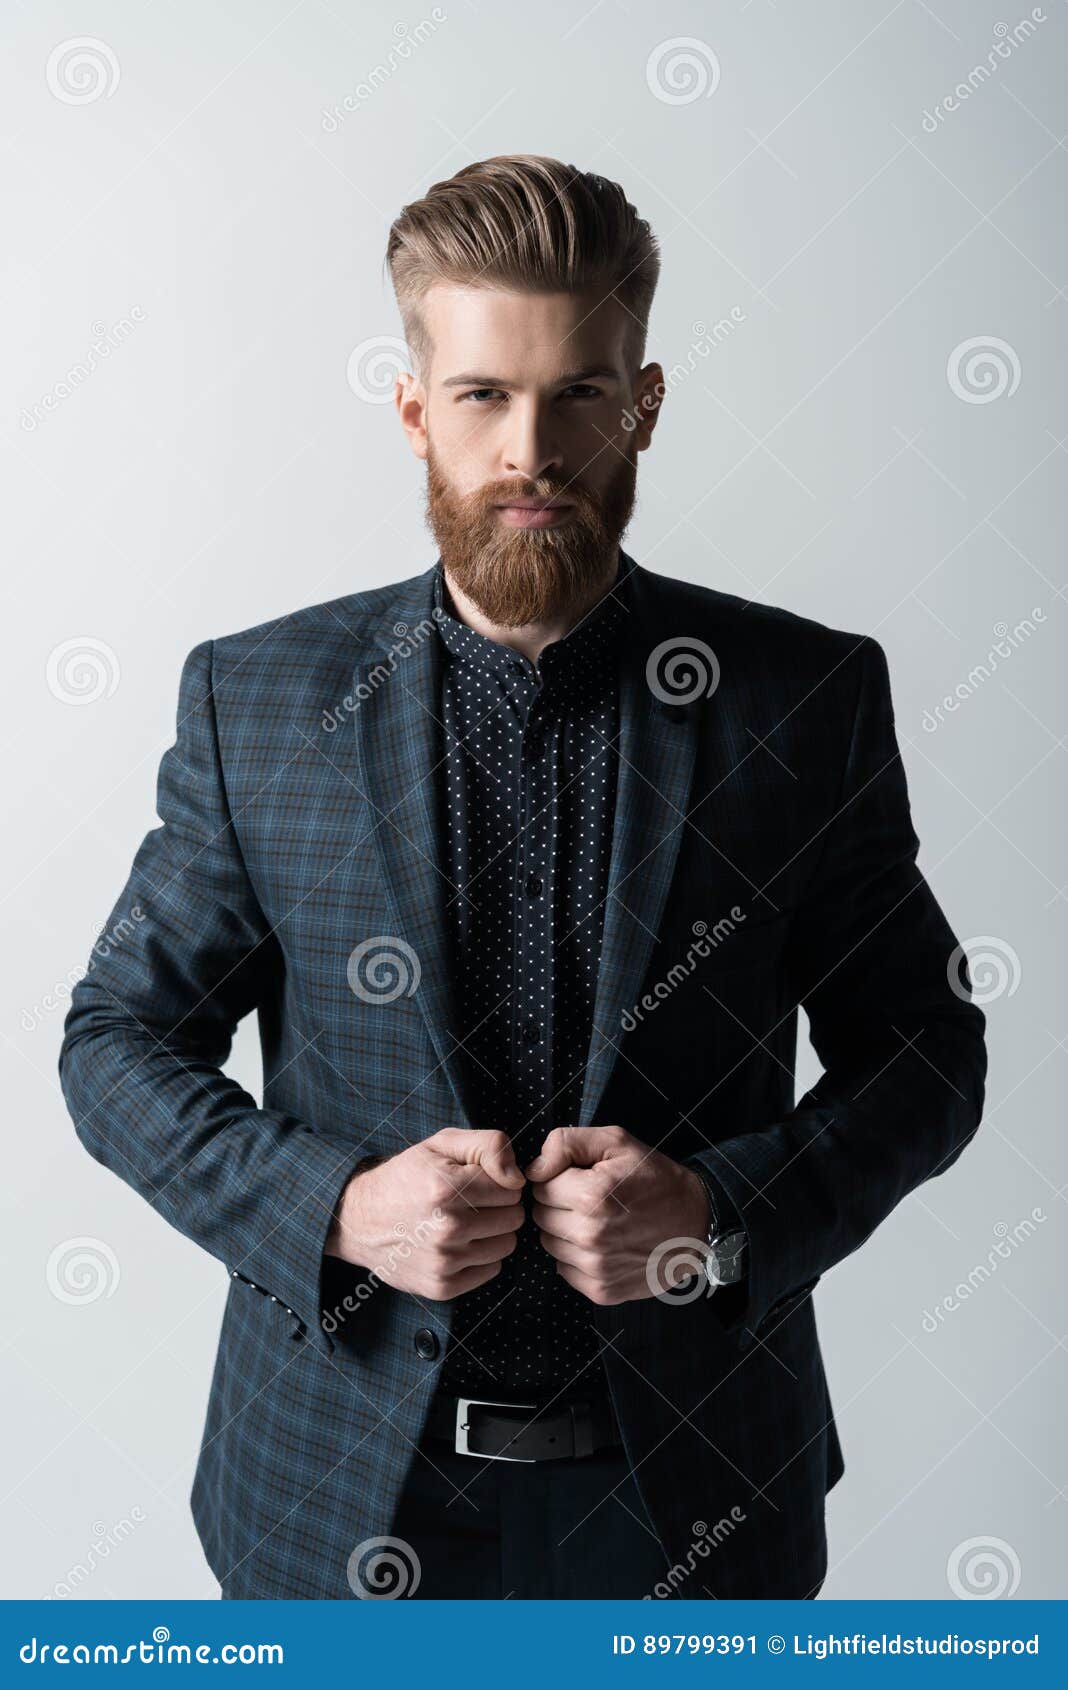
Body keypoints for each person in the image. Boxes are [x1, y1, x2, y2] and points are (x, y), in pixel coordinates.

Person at [59, 154, 986, 1600]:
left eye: (581, 396)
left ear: (647, 404)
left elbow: (928, 1050)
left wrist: (721, 1219)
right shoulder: (259, 702)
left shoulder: (802, 702)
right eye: (484, 394)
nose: (531, 450)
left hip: (697, 1502)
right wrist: (331, 1207)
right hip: (329, 1494)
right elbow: (114, 1043)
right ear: (416, 406)